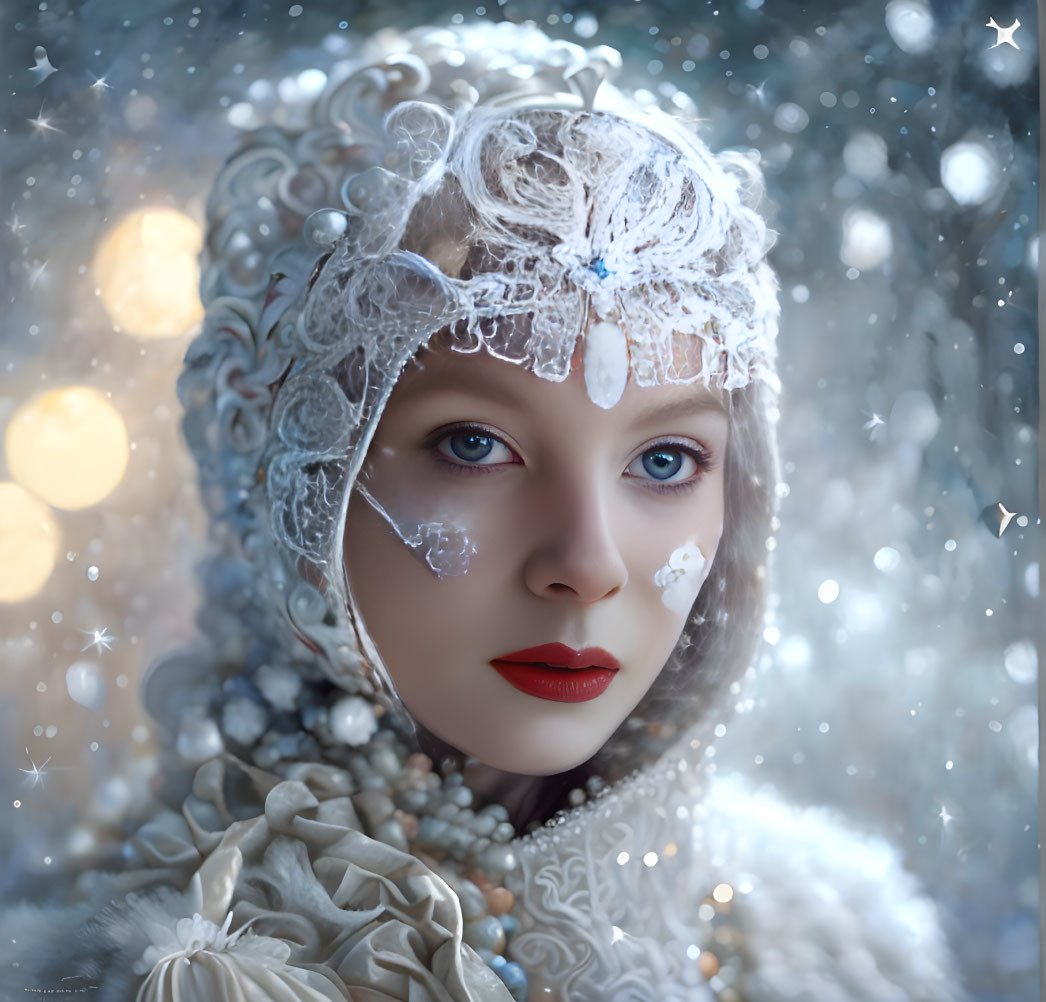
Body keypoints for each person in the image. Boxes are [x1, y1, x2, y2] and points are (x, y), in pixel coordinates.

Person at [4, 23, 960, 1002]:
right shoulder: (146, 978)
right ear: (293, 464)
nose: (586, 566)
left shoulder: (836, 950)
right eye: (474, 446)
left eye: (665, 458)